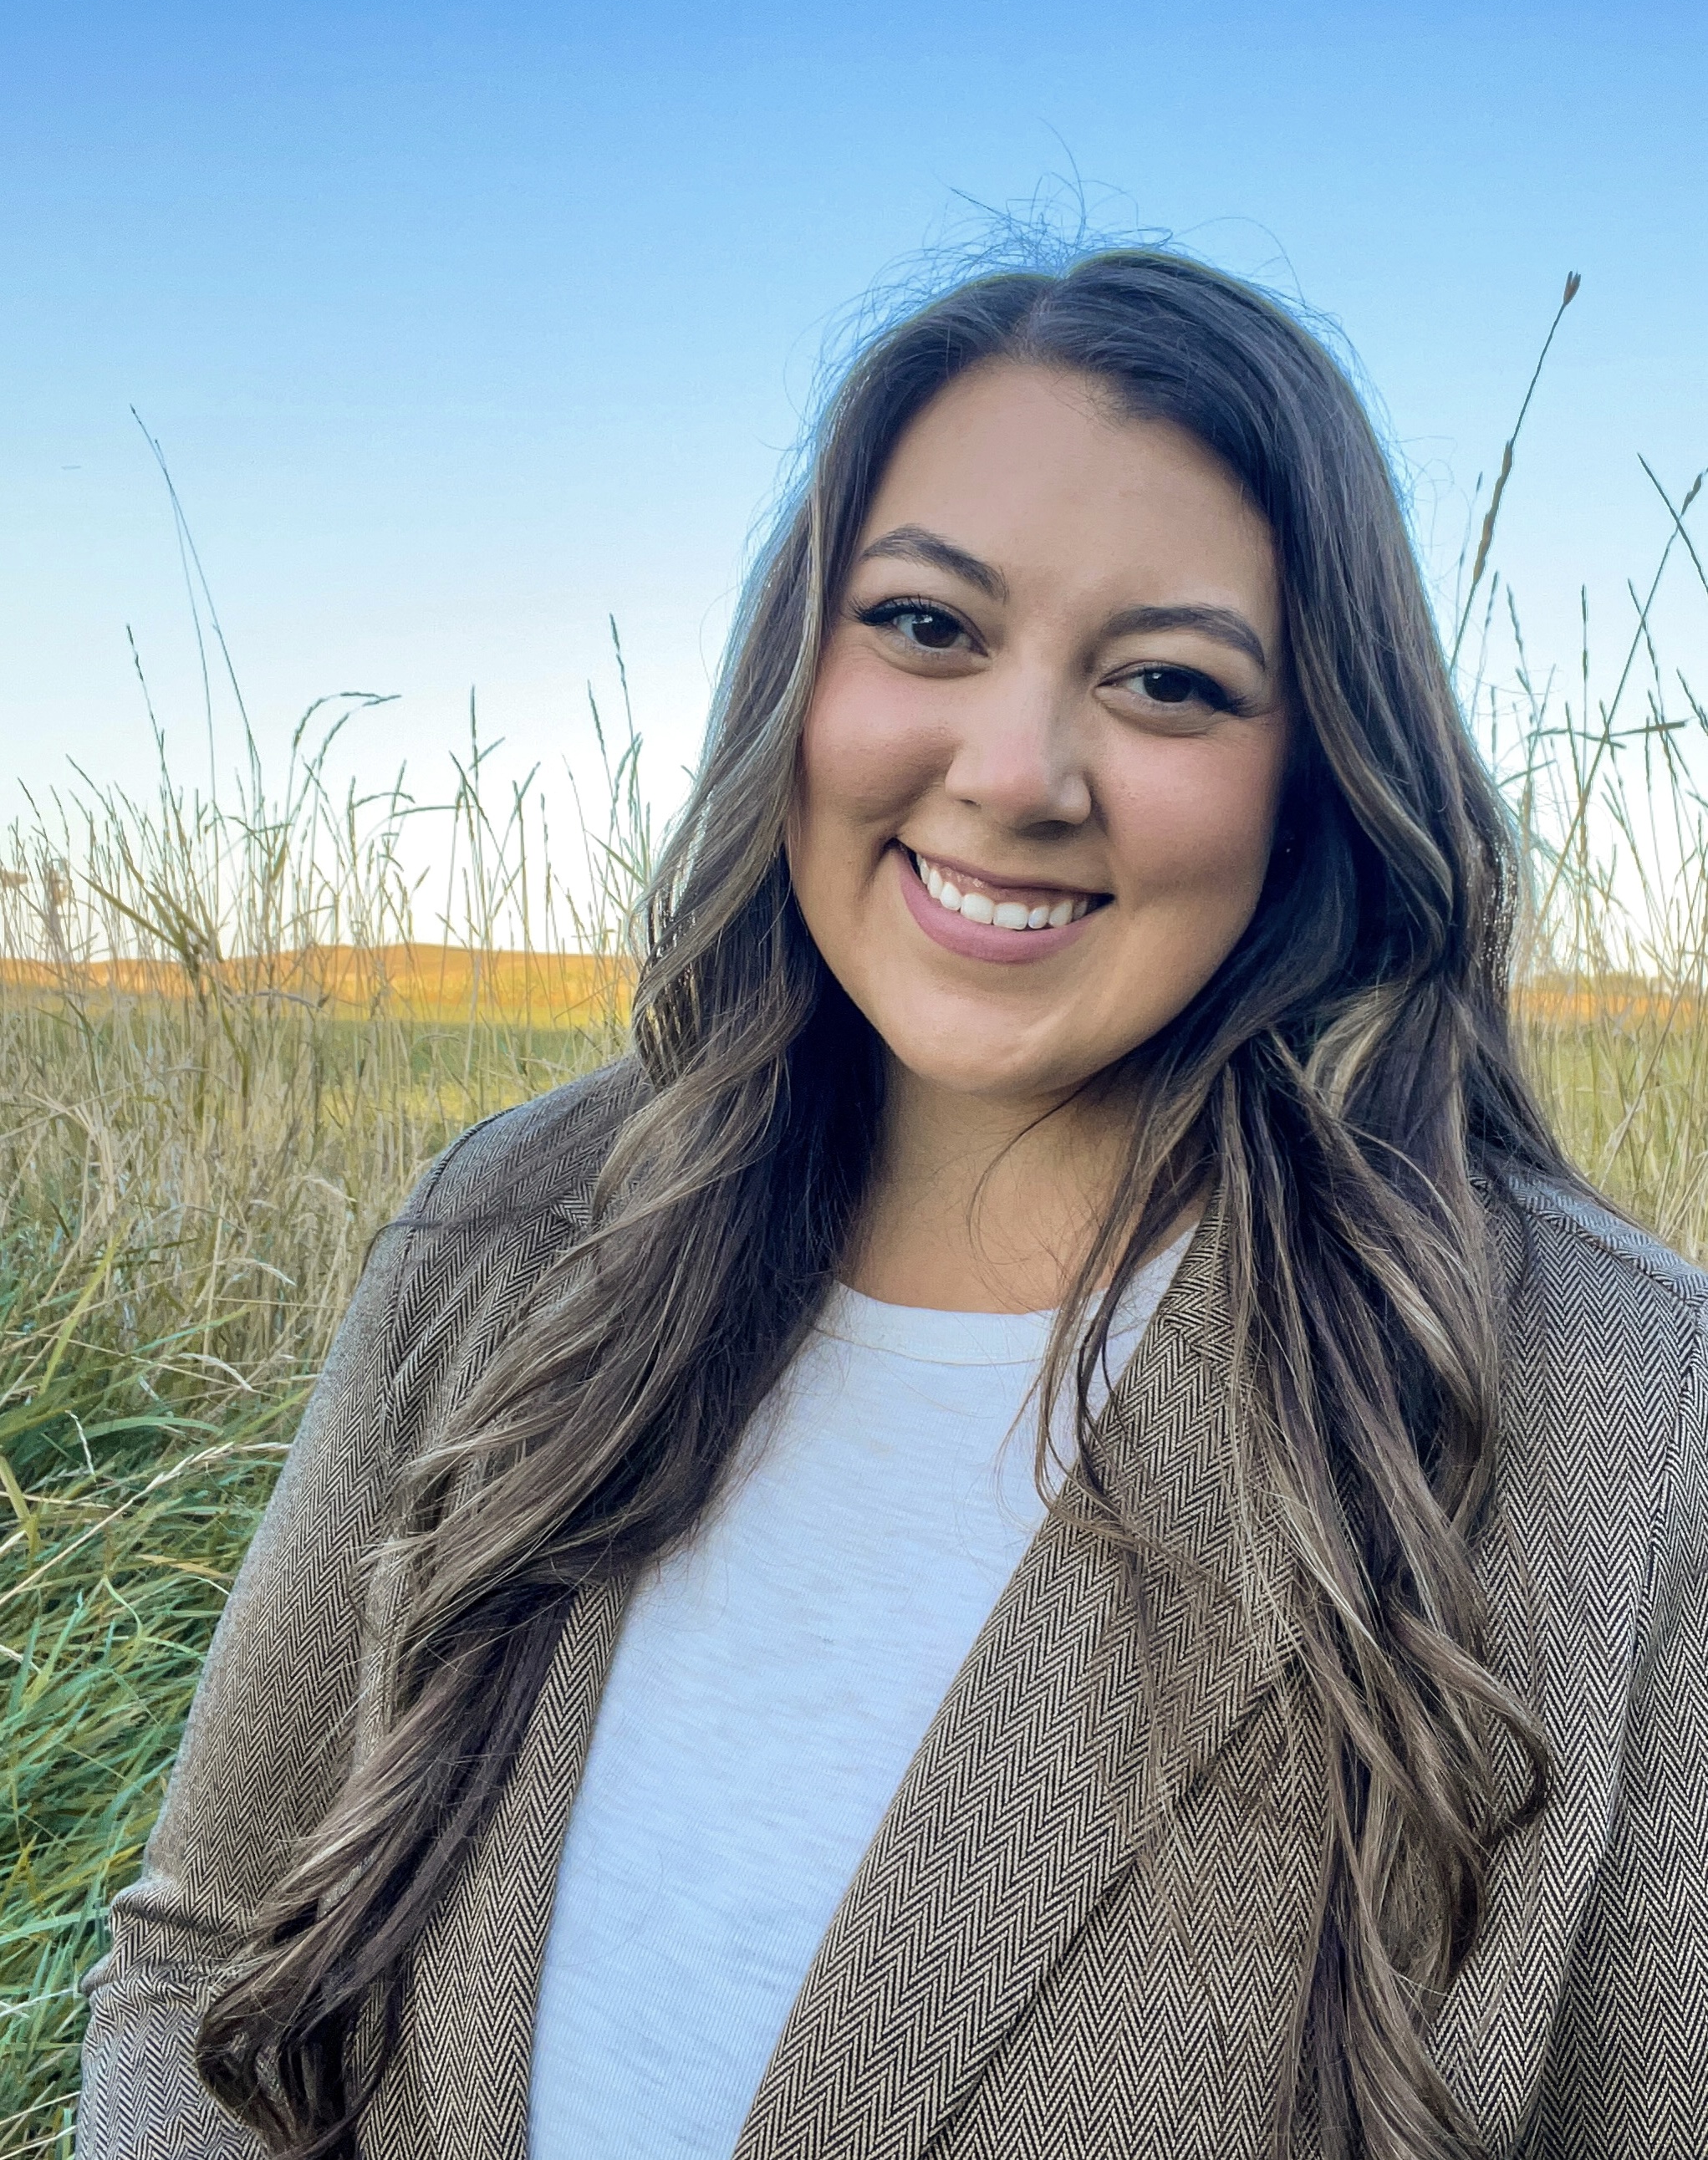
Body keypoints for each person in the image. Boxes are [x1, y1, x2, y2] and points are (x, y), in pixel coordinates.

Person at [79, 251, 1708, 2160]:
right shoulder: (514, 1232)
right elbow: (202, 1953)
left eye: (1168, 682)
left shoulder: (1613, 1408)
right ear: (802, 671)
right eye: (928, 625)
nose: (1012, 772)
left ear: (1319, 770)